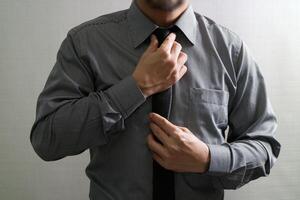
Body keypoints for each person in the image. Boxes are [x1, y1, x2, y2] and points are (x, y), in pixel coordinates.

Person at [29, 0, 281, 199]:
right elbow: (47, 139)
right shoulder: (85, 43)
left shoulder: (231, 50)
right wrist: (136, 87)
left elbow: (265, 147)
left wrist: (207, 158)